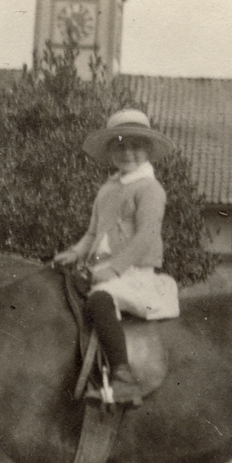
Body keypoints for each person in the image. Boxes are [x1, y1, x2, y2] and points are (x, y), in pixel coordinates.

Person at [53, 109, 180, 403]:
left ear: (148, 150)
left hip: (134, 274)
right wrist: (74, 252)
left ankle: (123, 377)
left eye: (135, 146)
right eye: (120, 145)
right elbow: (92, 234)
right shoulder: (107, 190)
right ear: (111, 151)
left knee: (100, 300)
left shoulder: (150, 189)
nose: (128, 152)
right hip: (101, 270)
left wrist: (116, 269)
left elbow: (146, 235)